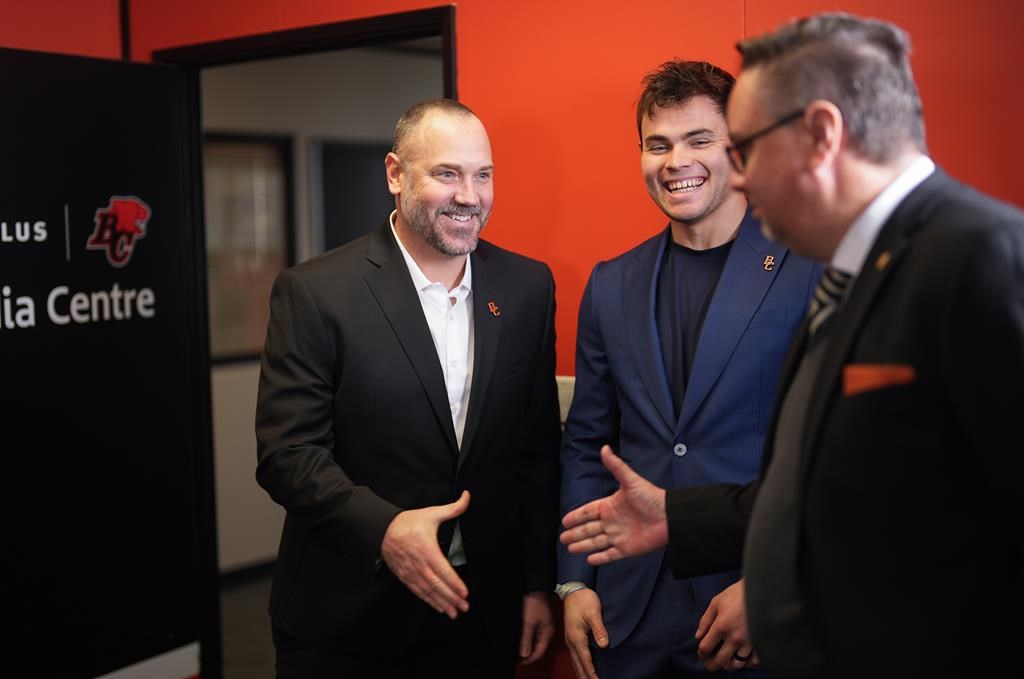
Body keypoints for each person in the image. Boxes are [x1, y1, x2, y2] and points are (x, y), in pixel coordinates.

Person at [561, 13, 1024, 679]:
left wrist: (776, 581)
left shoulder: (981, 255)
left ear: (821, 134)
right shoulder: (861, 263)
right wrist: (671, 519)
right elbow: (826, 475)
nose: (740, 177)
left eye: (742, 145)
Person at [255, 98, 562, 678]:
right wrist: (385, 529)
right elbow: (287, 455)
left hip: (482, 615)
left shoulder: (526, 288)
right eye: (447, 174)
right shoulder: (316, 292)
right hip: (350, 622)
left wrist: (537, 582)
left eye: (483, 175)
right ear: (396, 174)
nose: (470, 195)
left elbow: (537, 451)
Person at [557, 60, 818, 679]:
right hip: (624, 612)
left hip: (749, 609)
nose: (676, 162)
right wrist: (575, 581)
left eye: (699, 140)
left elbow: (835, 454)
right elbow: (586, 444)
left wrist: (774, 582)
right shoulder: (610, 284)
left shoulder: (812, 271)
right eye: (658, 144)